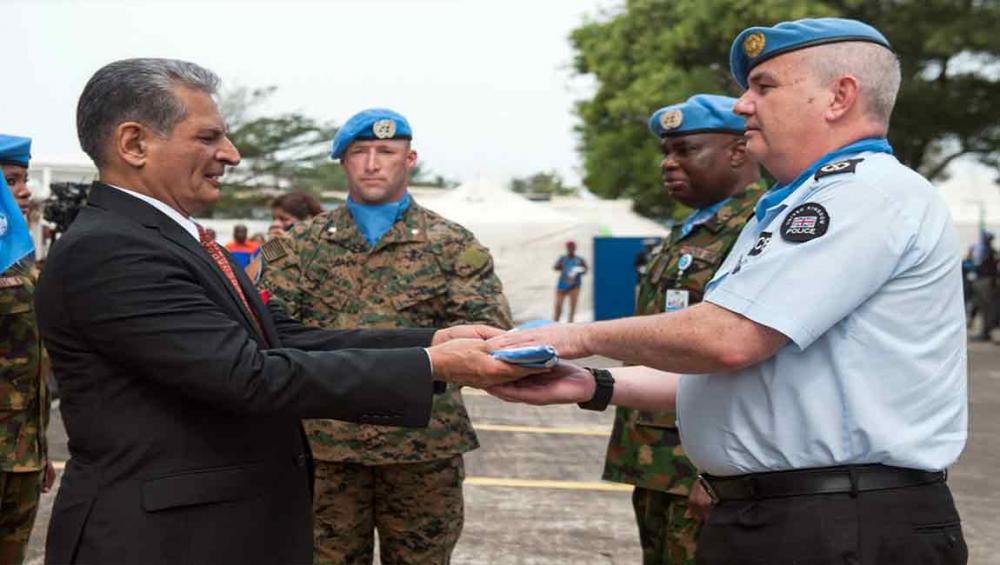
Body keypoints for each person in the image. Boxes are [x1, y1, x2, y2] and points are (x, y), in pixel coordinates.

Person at [490, 18, 968, 565]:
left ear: (840, 96)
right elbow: (736, 374)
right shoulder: (799, 204)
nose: (743, 105)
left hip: (839, 523)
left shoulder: (864, 193)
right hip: (787, 514)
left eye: (763, 86)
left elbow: (727, 340)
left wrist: (574, 336)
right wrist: (589, 384)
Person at [34, 58, 533, 564]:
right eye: (208, 138)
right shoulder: (112, 250)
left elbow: (278, 336)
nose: (231, 154)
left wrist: (430, 344)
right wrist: (432, 366)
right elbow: (247, 374)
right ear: (135, 144)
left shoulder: (163, 236)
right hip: (158, 541)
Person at [260, 108, 513, 564]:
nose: (372, 163)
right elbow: (273, 334)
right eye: (360, 152)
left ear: (410, 158)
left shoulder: (454, 244)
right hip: (325, 449)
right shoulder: (298, 246)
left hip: (422, 451)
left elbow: (487, 334)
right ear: (343, 162)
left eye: (386, 151)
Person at [603, 95, 764, 565]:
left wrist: (722, 471)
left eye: (686, 149)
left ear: (738, 151)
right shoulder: (690, 230)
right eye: (666, 152)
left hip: (706, 464)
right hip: (656, 459)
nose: (668, 164)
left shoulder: (759, 228)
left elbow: (755, 359)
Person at [0, 134, 55, 564]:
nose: (25, 190)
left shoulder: (18, 257)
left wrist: (39, 449)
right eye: (12, 180)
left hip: (20, 453)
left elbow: (31, 364)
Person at [553, 241, 588, 322]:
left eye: (572, 248)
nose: (571, 249)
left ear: (575, 248)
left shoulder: (579, 260)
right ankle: (555, 323)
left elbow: (585, 270)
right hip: (562, 286)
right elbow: (555, 267)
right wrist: (560, 266)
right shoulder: (563, 259)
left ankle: (570, 323)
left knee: (572, 307)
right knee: (558, 306)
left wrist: (579, 270)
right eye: (569, 248)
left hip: (574, 287)